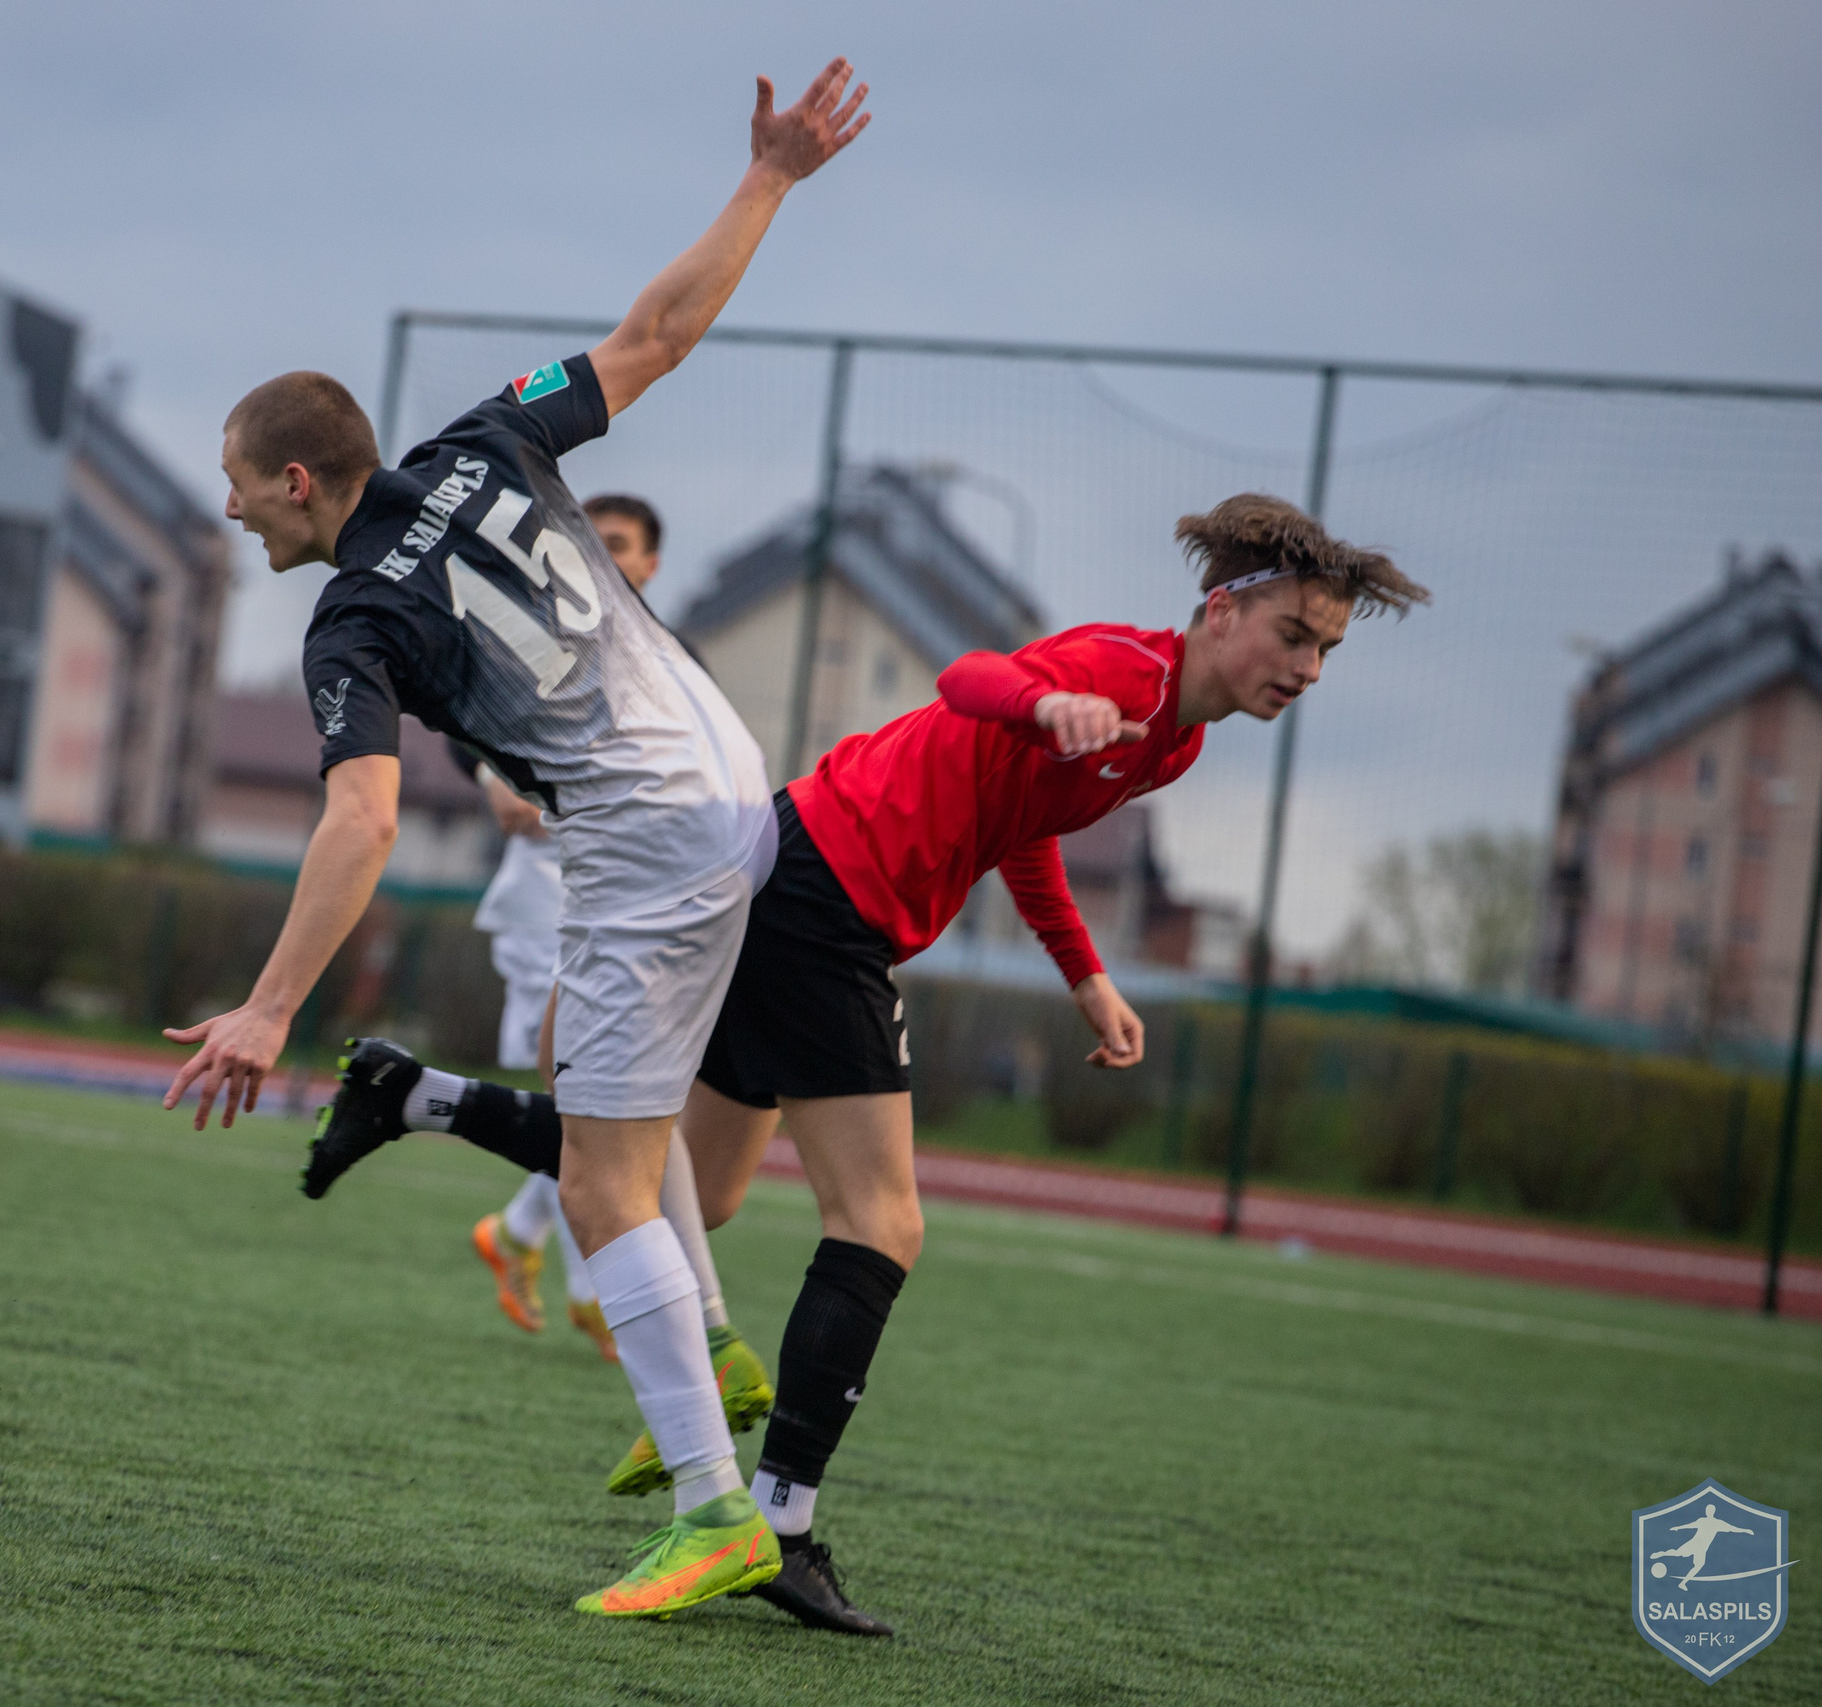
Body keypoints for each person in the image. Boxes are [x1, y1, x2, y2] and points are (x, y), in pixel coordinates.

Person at [306, 493, 1428, 1632]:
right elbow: (969, 681)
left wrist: (1083, 972)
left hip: (800, 879)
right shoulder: (1125, 675)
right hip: (827, 904)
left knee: (685, 1184)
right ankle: (778, 1529)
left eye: (1325, 649)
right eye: (1294, 636)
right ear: (1221, 612)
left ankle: (413, 1094)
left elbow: (1018, 823)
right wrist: (1049, 698)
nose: (1309, 668)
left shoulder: (1173, 739)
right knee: (882, 1223)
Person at [162, 60, 870, 1621]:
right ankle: (722, 1350)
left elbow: (358, 816)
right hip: (739, 781)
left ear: (297, 480)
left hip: (637, 842)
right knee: (627, 1107)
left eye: (236, 489)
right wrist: (771, 179)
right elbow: (656, 337)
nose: (231, 517)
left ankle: (713, 1508)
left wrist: (273, 1005)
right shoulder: (488, 438)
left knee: (604, 1177)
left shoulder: (350, 619)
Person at [460, 498, 757, 1401]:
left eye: (620, 545)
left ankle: (530, 1239)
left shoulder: (674, 661)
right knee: (595, 1104)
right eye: (594, 542)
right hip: (550, 904)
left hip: (637, 908)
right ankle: (606, 1290)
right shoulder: (531, 641)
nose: (603, 559)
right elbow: (489, 759)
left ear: (654, 564)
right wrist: (502, 782)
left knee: (610, 1110)